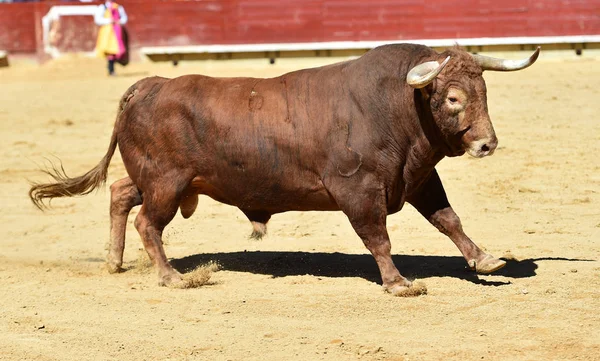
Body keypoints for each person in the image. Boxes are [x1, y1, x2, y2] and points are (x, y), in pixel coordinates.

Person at [94, 1, 128, 76]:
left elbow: (124, 18)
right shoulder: (103, 7)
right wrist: (109, 20)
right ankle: (111, 68)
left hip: (117, 31)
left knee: (117, 50)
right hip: (107, 31)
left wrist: (120, 21)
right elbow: (98, 20)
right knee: (110, 51)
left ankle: (112, 66)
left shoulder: (118, 7)